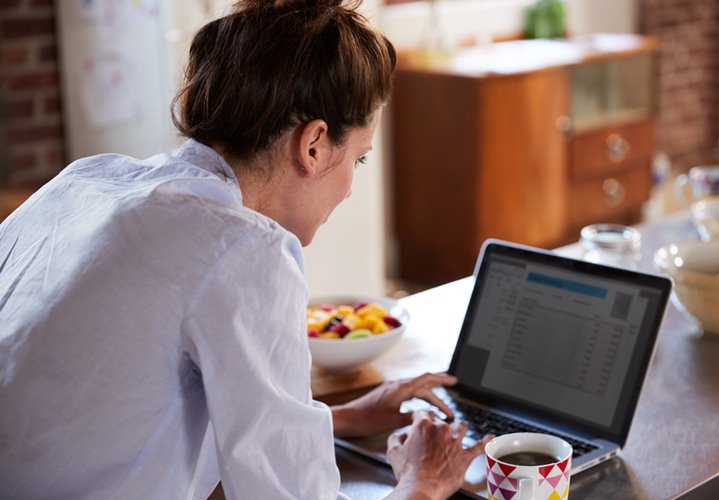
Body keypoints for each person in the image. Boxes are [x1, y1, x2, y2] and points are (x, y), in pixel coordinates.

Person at [0, 1, 491, 499]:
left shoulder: (83, 180)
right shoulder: (243, 249)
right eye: (358, 160)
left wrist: (336, 418)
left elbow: (115, 408)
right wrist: (424, 481)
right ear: (315, 145)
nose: (347, 190)